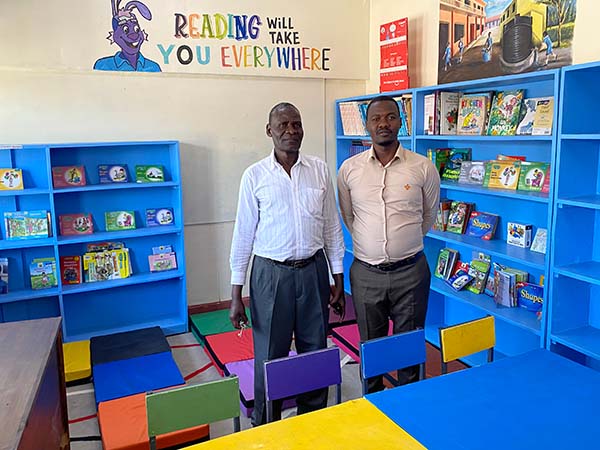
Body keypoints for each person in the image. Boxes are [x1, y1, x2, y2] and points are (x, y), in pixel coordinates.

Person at [229, 102, 346, 426]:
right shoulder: (254, 176)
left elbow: (331, 228)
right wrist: (236, 294)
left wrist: (337, 278)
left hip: (313, 272)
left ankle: (313, 419)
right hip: (270, 275)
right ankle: (266, 424)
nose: (291, 131)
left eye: (296, 124)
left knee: (315, 350)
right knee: (270, 354)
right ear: (269, 131)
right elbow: (243, 236)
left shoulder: (320, 169)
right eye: (282, 125)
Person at [337, 95, 440, 393]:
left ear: (400, 121)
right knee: (372, 345)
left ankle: (411, 403)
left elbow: (428, 214)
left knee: (409, 345)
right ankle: (374, 403)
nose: (384, 123)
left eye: (391, 117)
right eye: (376, 119)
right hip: (366, 273)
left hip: (411, 272)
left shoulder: (422, 167)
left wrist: (401, 244)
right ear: (367, 125)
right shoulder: (350, 169)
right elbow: (349, 215)